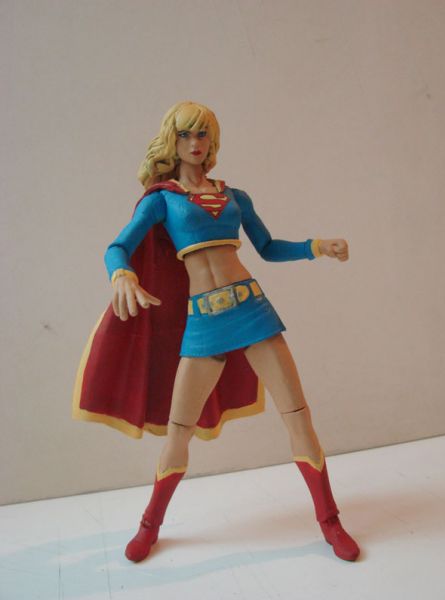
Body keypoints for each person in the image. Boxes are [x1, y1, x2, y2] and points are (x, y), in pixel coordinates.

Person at [73, 101, 360, 563]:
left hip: (252, 309)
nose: (195, 143)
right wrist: (121, 275)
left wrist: (316, 246)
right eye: (186, 134)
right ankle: (149, 526)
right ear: (173, 141)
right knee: (178, 432)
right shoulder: (162, 199)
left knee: (298, 416)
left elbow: (268, 247)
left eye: (202, 134)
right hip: (204, 321)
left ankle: (330, 521)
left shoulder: (234, 196)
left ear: (212, 142)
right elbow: (117, 246)